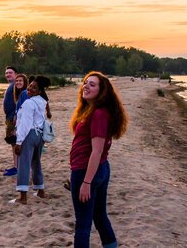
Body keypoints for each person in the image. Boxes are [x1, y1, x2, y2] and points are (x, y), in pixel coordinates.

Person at [69, 71, 128, 248]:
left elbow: (97, 150)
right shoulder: (91, 111)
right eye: (85, 83)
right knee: (99, 215)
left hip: (88, 171)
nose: (86, 86)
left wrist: (86, 182)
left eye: (92, 84)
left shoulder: (99, 114)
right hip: (98, 169)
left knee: (83, 223)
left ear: (102, 91)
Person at [13, 76, 51, 204]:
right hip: (39, 136)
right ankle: (40, 191)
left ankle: (23, 197)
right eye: (30, 86)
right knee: (36, 163)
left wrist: (18, 142)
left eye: (34, 87)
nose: (30, 88)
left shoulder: (29, 103)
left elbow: (26, 124)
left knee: (24, 163)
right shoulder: (42, 101)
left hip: (29, 135)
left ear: (40, 91)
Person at [3, 66, 18, 176]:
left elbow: (19, 102)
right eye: (6, 73)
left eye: (10, 73)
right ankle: (16, 166)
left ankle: (17, 167)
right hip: (9, 117)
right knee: (13, 143)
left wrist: (16, 117)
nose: (8, 74)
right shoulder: (11, 86)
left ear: (16, 74)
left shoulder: (16, 86)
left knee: (14, 142)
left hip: (13, 119)